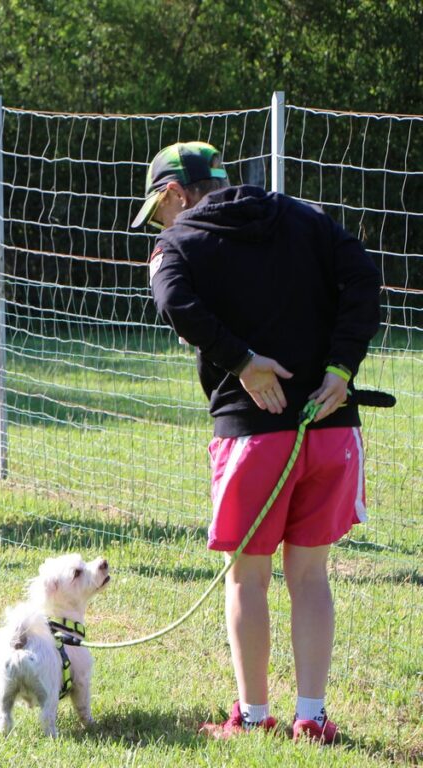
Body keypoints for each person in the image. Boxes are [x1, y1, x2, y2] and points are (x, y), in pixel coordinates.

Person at [133, 141, 381, 743]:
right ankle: (312, 716)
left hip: (253, 437)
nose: (161, 224)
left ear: (175, 193)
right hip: (330, 426)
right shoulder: (305, 217)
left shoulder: (178, 242)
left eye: (159, 211)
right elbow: (363, 275)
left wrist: (242, 361)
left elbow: (173, 302)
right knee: (311, 575)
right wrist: (341, 367)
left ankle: (251, 715)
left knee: (247, 577)